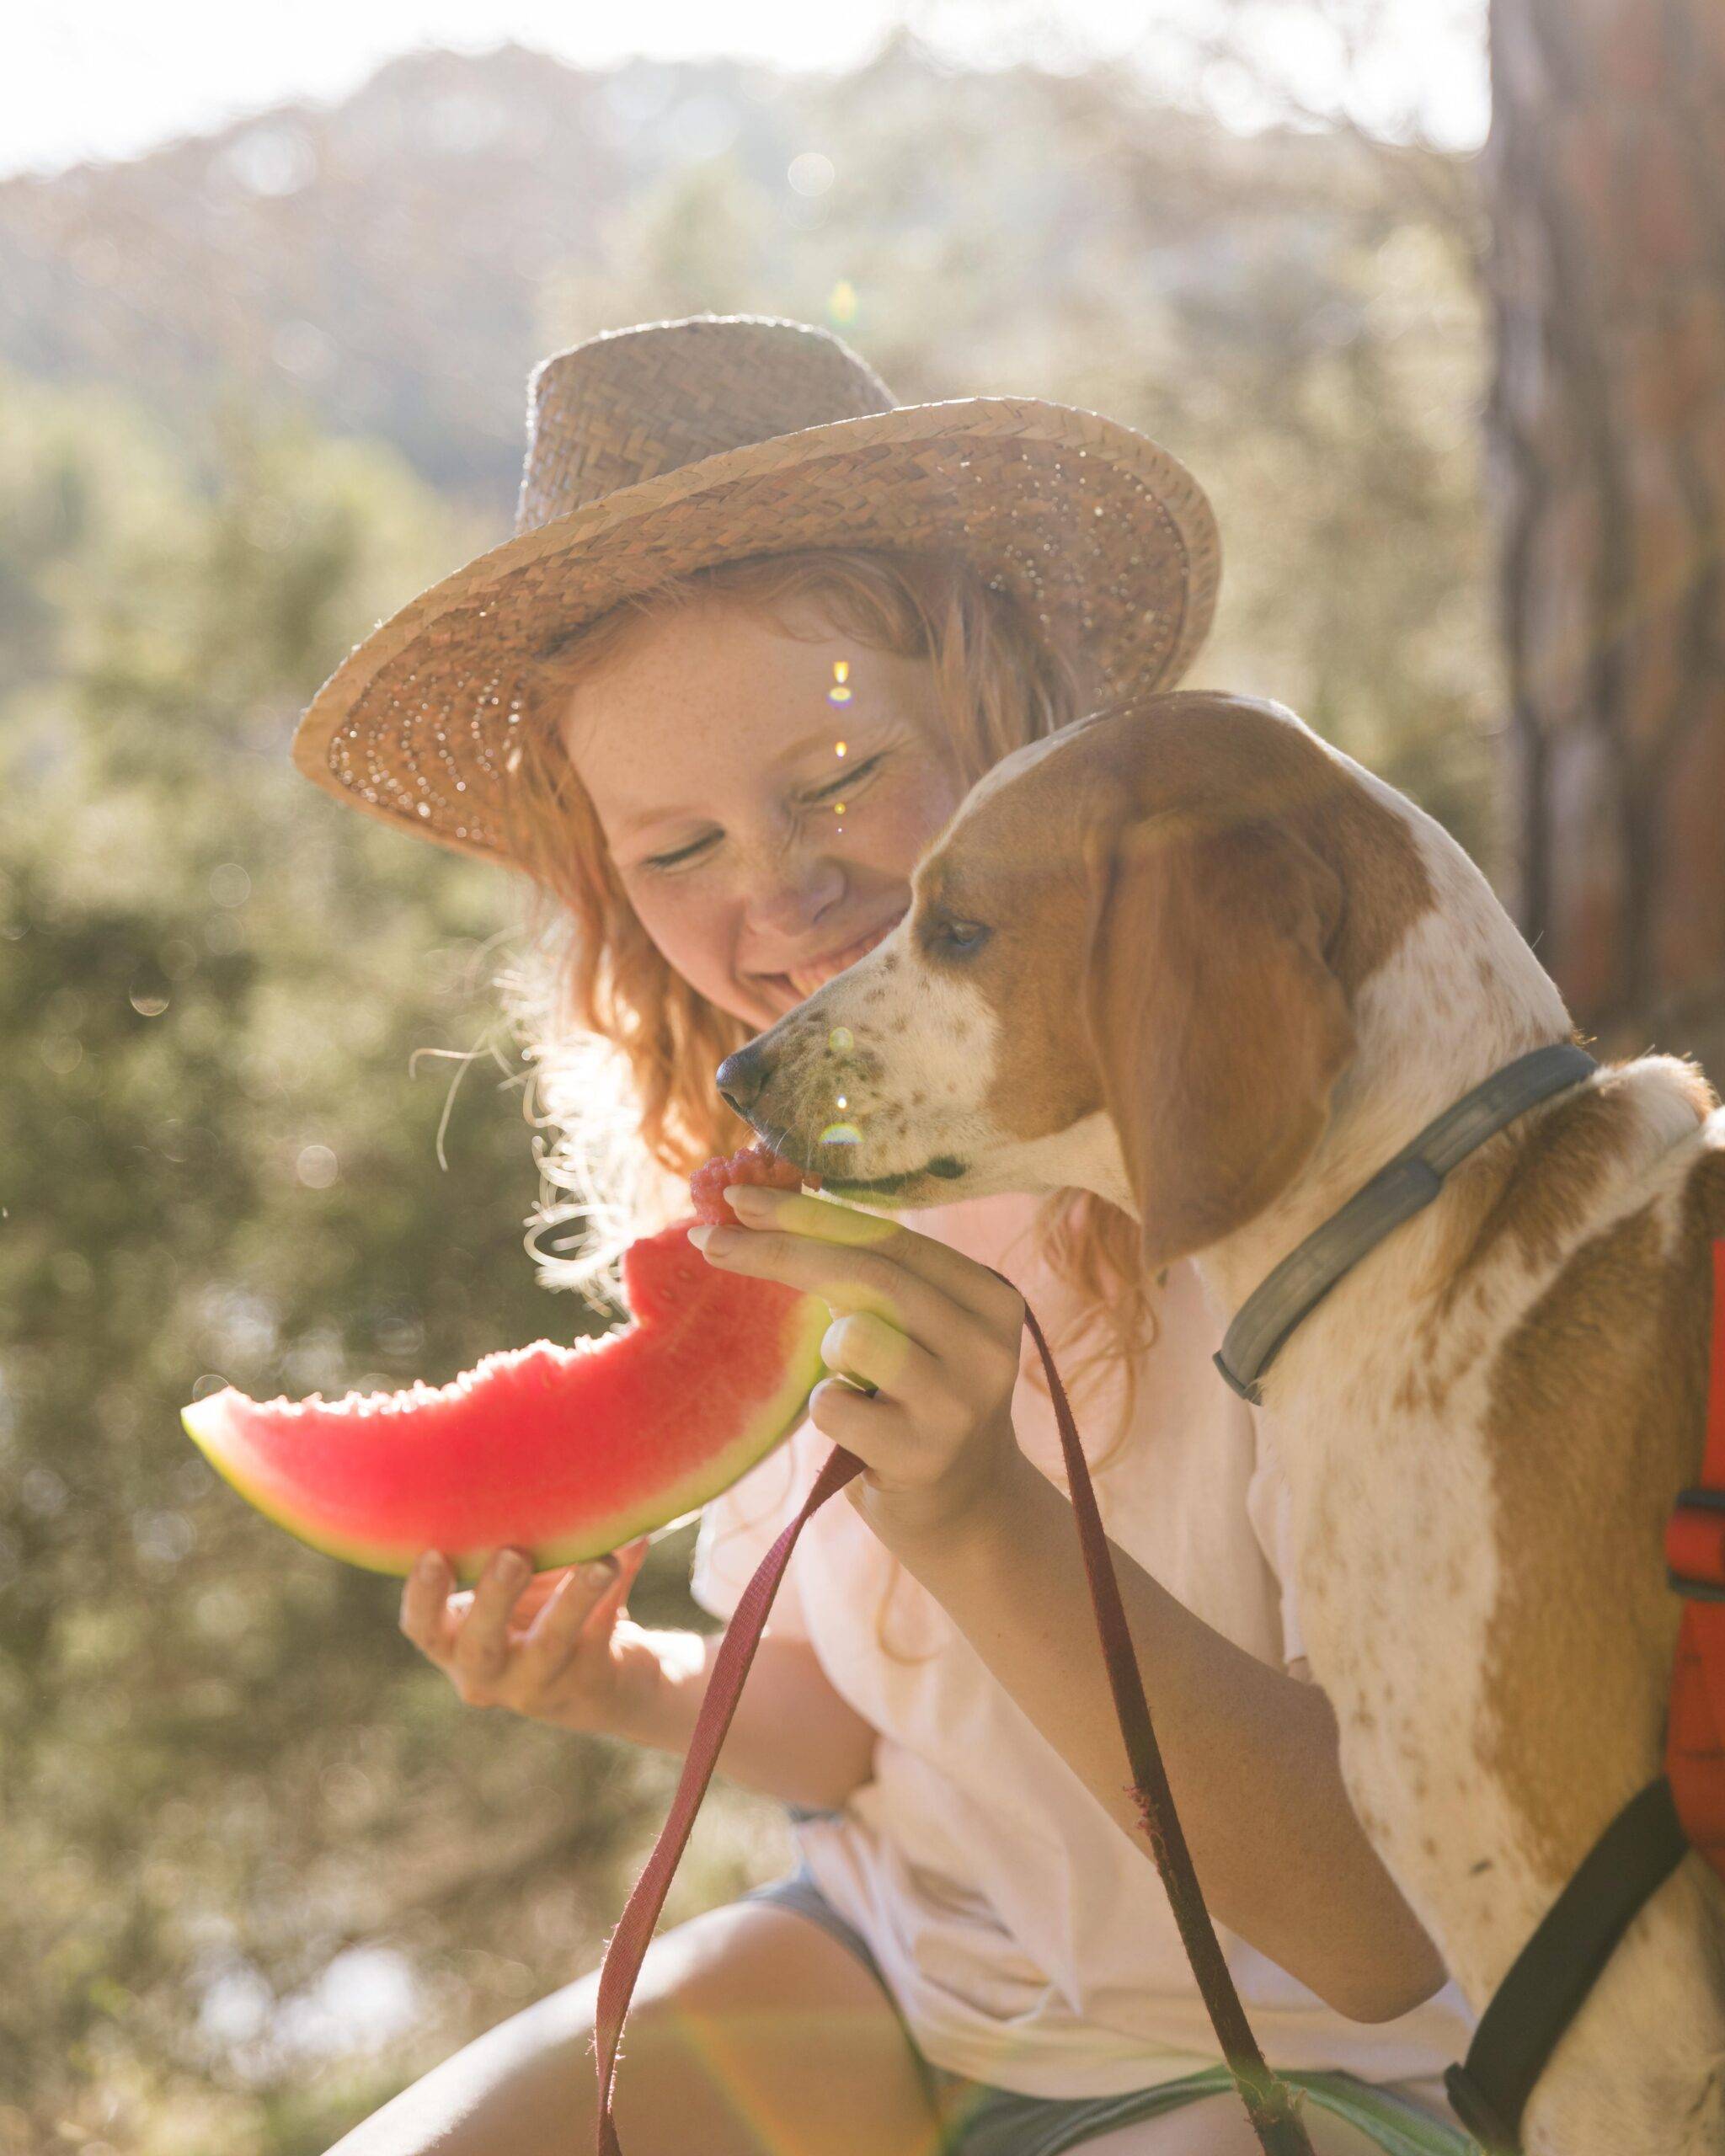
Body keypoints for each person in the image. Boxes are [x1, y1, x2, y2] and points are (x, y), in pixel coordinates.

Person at [302, 317, 1477, 2155]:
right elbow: (853, 1732)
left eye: (838, 776)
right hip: (899, 1967)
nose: (776, 894)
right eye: (674, 850)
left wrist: (987, 1518)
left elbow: (1376, 1924)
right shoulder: (767, 1186)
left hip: (1311, 2057)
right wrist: (613, 1677)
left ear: (1015, 725)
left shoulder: (1272, 1151)